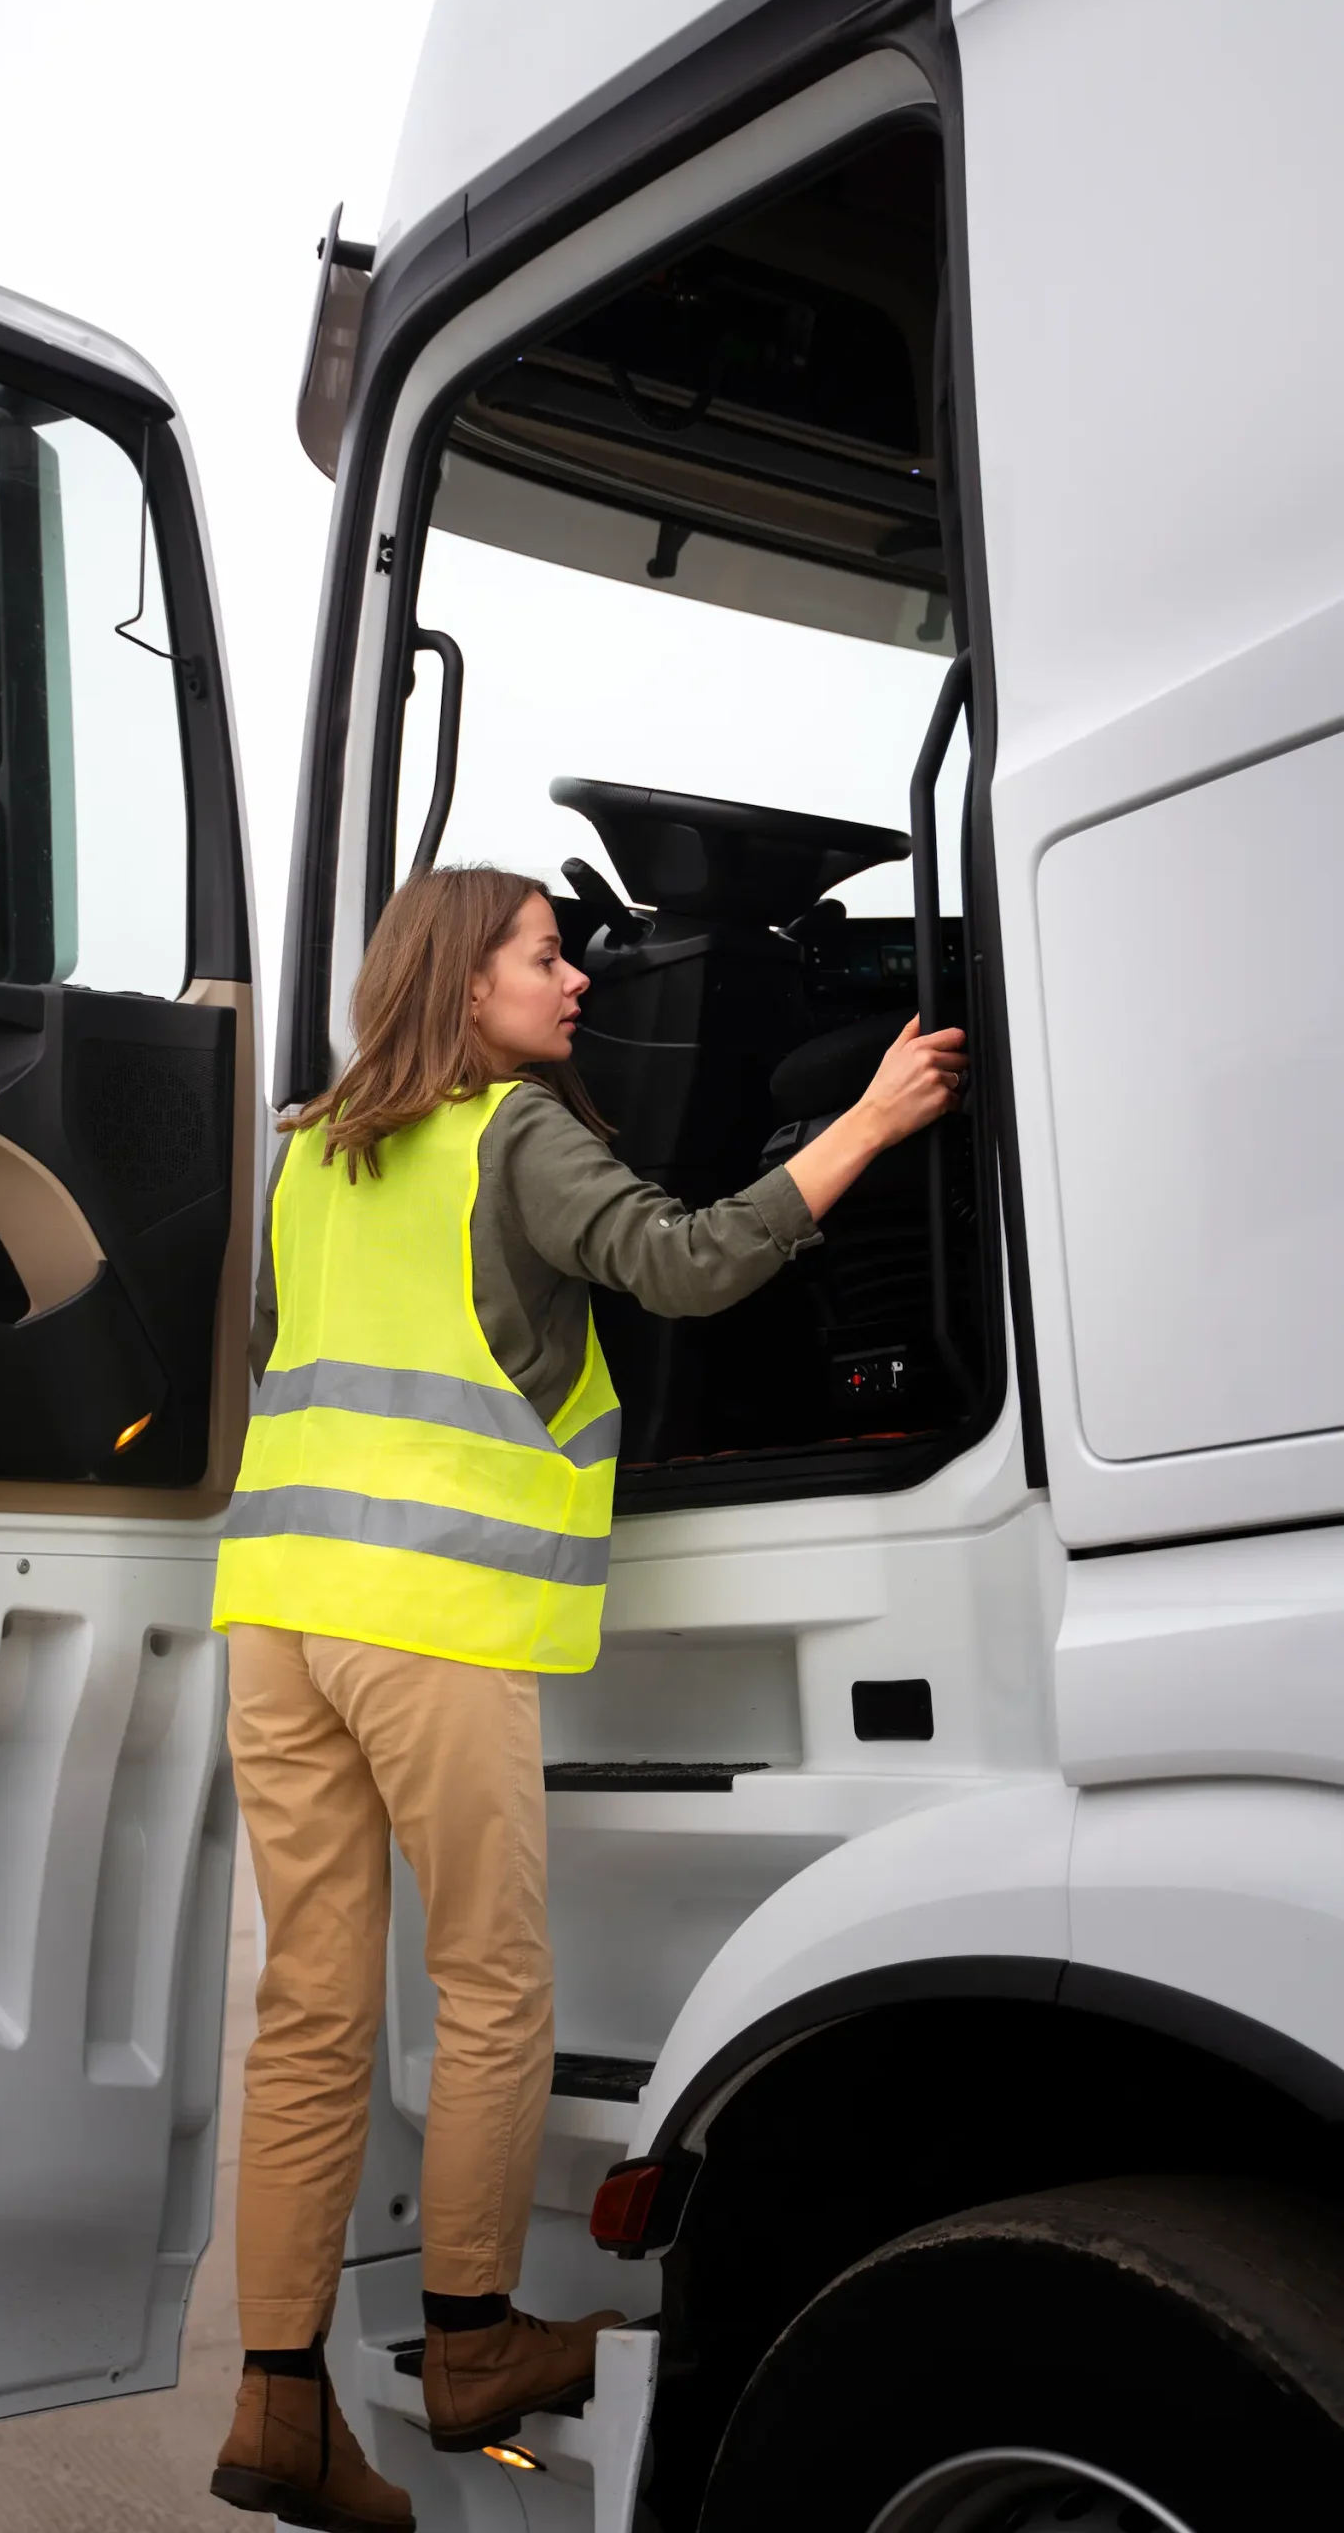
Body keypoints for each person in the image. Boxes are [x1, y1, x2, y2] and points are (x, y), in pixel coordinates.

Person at [209, 864, 967, 2531]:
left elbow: (280, 1360)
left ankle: (278, 2403)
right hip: (431, 1622)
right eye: (545, 959)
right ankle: (473, 2345)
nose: (574, 986)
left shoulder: (308, 1158)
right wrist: (868, 1121)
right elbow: (685, 1267)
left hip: (277, 1621)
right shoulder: (513, 1131)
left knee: (311, 2019)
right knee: (489, 1987)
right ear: (460, 985)